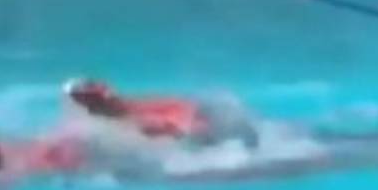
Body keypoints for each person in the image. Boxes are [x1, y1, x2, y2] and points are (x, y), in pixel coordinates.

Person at [0, 124, 378, 190]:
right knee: (259, 169)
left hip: (147, 154)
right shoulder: (7, 171)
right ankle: (377, 157)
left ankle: (370, 140)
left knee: (258, 137)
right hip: (146, 175)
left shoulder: (16, 145)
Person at [63, 78, 260, 149]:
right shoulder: (120, 115)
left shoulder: (134, 117)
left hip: (195, 121)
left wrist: (179, 130)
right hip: (190, 117)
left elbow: (175, 125)